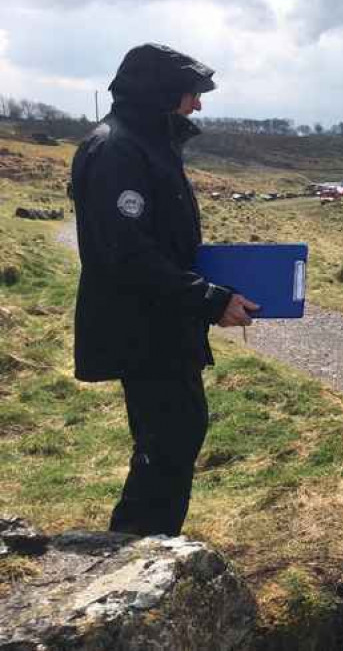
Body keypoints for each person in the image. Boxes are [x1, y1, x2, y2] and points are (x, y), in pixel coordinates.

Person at [70, 43, 259, 537]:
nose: (198, 104)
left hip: (161, 323)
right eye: (192, 93)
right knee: (167, 441)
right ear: (161, 94)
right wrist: (211, 300)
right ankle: (138, 552)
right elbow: (128, 254)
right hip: (142, 329)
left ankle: (149, 547)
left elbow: (159, 243)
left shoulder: (145, 144)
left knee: (175, 436)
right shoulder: (117, 150)